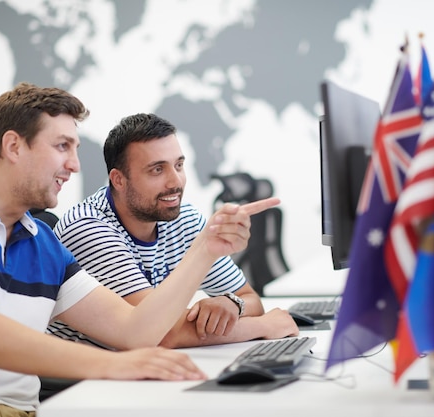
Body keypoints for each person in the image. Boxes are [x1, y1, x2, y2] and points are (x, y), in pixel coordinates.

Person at [0, 82, 286, 416]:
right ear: (13, 146)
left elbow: (135, 332)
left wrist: (205, 249)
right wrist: (115, 365)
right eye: (62, 146)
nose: (75, 165)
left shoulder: (41, 242)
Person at [48, 113, 299, 349]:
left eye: (178, 165)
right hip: (82, 383)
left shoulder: (184, 218)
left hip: (137, 371)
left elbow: (249, 297)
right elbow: (159, 334)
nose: (175, 182)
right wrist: (263, 326)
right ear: (118, 180)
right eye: (157, 170)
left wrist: (232, 304)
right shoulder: (88, 228)